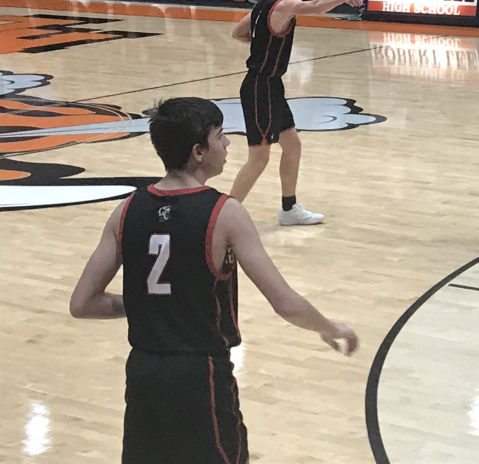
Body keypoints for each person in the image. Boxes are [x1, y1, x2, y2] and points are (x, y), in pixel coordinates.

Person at [69, 96, 358, 464]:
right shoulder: (225, 213)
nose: (228, 144)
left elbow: (82, 304)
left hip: (142, 374)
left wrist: (151, 304)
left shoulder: (125, 211)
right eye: (220, 136)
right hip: (200, 375)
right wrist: (328, 326)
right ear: (199, 152)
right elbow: (285, 302)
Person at [230, 0, 366, 220]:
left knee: (292, 145)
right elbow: (314, 6)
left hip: (270, 85)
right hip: (260, 87)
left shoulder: (261, 6)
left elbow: (238, 32)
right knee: (258, 159)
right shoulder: (284, 4)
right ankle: (220, 215)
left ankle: (289, 208)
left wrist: (263, 43)